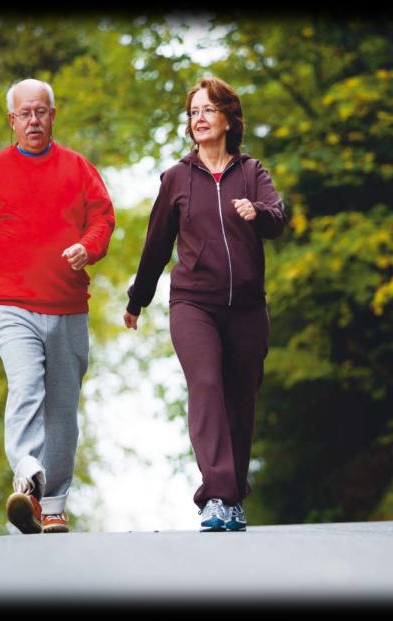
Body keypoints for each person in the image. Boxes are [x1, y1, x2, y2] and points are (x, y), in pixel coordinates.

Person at [123, 76, 285, 532]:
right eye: (193, 112)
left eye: (208, 110)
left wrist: (260, 213)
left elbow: (278, 220)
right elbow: (157, 245)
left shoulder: (252, 173)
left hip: (248, 308)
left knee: (241, 400)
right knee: (207, 384)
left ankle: (231, 499)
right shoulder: (176, 178)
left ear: (229, 119)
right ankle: (217, 495)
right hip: (194, 304)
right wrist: (139, 299)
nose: (199, 119)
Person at [0, 78, 115, 534]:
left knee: (62, 410)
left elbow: (103, 217)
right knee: (26, 387)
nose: (34, 120)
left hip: (68, 306)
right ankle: (28, 480)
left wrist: (88, 247)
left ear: (53, 115)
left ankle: (54, 506)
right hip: (12, 306)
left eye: (41, 112)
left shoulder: (78, 168)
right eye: (25, 113)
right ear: (12, 120)